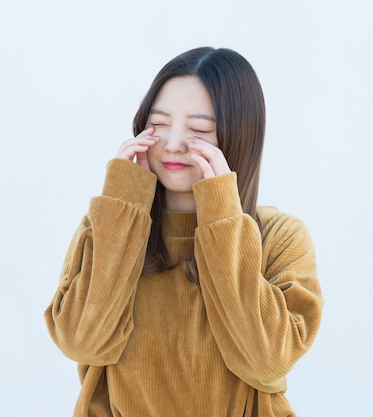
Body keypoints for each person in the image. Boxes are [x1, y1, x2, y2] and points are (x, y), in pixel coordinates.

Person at [44, 46, 323, 417]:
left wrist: (221, 211)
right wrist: (125, 200)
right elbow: (81, 342)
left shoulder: (280, 236)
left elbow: (267, 362)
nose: (173, 144)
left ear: (239, 136)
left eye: (198, 129)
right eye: (158, 124)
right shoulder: (109, 225)